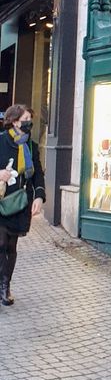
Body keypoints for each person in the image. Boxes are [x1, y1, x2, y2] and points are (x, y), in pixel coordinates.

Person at [0, 104, 45, 307]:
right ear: (15, 120)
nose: (29, 122)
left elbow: (38, 175)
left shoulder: (31, 146)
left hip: (20, 202)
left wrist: (39, 197)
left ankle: (5, 286)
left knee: (11, 246)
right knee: (0, 244)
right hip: (1, 200)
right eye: (26, 118)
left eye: (30, 118)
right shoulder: (1, 140)